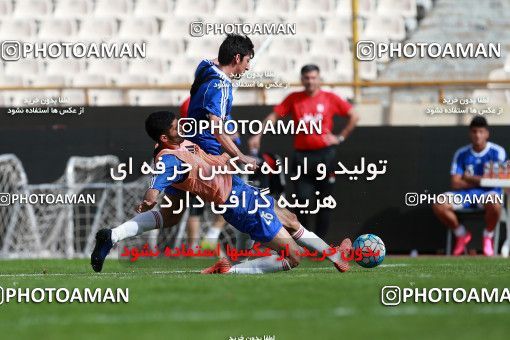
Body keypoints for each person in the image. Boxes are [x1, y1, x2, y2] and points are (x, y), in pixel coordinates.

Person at [91, 111, 352, 274]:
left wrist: (233, 153)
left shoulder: (184, 143)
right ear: (162, 138)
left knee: (292, 218)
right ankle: (230, 271)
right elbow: (155, 185)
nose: (181, 126)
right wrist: (149, 199)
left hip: (241, 189)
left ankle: (335, 256)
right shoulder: (169, 158)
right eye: (175, 127)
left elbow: (214, 162)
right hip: (239, 204)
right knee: (293, 257)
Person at [248, 64, 359, 238]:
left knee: (325, 202)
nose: (310, 81)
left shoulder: (329, 98)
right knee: (302, 201)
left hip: (325, 155)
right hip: (303, 157)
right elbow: (274, 116)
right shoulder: (294, 98)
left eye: (313, 77)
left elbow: (354, 115)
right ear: (302, 79)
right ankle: (307, 239)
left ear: (319, 79)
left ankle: (321, 243)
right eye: (307, 78)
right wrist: (258, 134)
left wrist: (340, 137)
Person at [432, 116, 506, 256]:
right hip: (466, 196)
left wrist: (468, 177)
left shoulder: (497, 152)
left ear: (486, 133)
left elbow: (495, 180)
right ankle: (461, 234)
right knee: (439, 203)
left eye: (481, 131)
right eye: (474, 131)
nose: (477, 135)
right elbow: (455, 183)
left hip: (487, 195)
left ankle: (488, 235)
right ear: (470, 133)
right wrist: (481, 180)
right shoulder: (461, 154)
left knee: (495, 202)